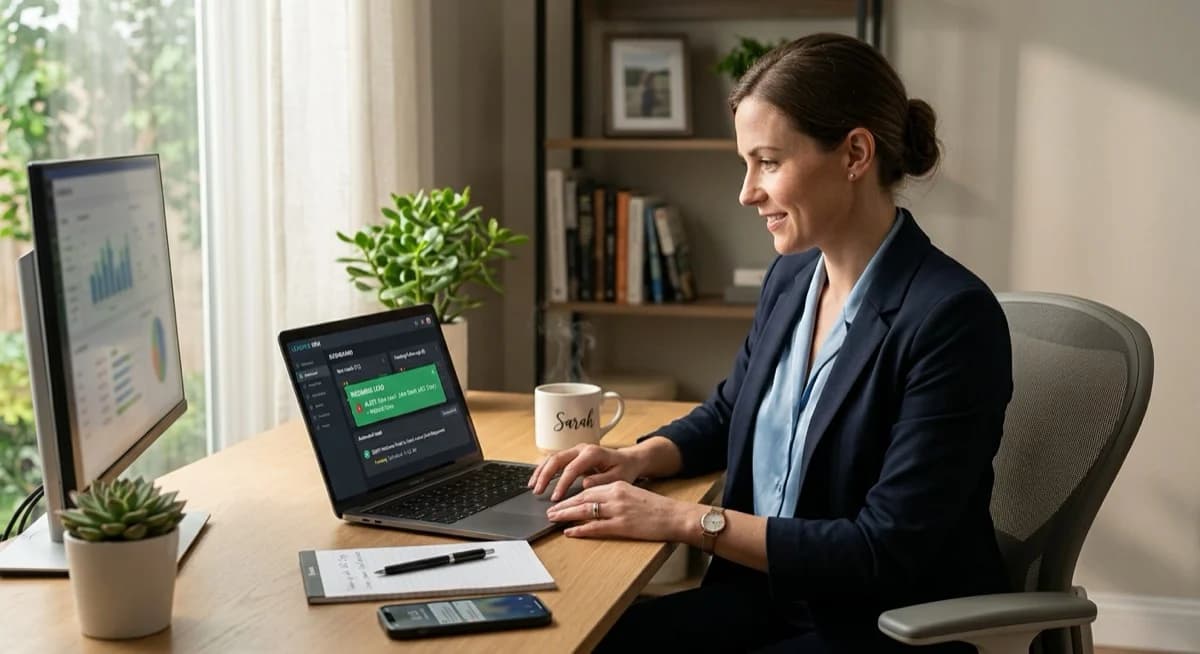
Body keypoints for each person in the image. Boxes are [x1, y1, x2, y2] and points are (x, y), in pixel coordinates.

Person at [529, 32, 1013, 653]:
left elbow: (883, 549)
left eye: (769, 162)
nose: (747, 191)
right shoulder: (793, 276)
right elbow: (732, 410)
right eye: (746, 163)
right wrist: (637, 458)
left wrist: (683, 520)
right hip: (765, 597)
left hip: (878, 624)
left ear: (855, 154)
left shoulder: (951, 318)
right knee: (579, 641)